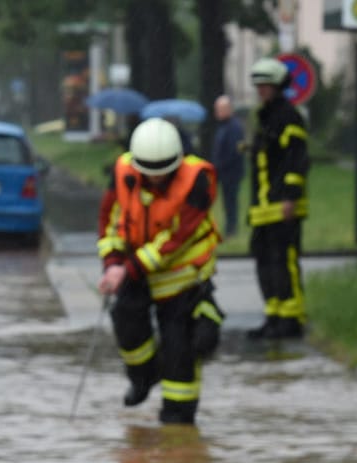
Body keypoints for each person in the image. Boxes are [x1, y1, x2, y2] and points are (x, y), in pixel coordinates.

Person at [96, 118, 224, 426]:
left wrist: (129, 267)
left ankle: (178, 421)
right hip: (133, 271)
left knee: (180, 349)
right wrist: (113, 263)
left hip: (181, 278)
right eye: (148, 174)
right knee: (126, 323)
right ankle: (143, 376)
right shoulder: (123, 172)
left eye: (162, 174)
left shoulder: (196, 181)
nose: (155, 180)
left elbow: (177, 239)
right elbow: (111, 220)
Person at [245, 57, 310, 340]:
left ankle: (292, 319)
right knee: (265, 262)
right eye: (258, 85)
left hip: (283, 206)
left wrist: (290, 198)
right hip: (263, 208)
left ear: (278, 86)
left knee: (285, 261)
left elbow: (298, 159)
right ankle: (273, 315)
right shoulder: (265, 118)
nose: (261, 90)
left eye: (266, 85)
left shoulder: (288, 117)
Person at [210, 95, 245, 235]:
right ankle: (230, 227)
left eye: (221, 109)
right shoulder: (224, 127)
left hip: (231, 173)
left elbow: (234, 152)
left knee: (231, 201)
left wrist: (219, 165)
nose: (218, 112)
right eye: (217, 109)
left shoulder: (234, 128)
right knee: (227, 201)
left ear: (229, 109)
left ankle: (232, 228)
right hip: (224, 173)